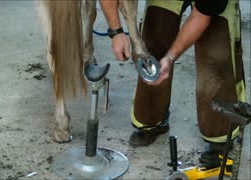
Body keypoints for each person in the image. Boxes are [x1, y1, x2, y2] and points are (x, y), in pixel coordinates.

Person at [100, 0, 246, 163]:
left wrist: (170, 58)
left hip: (208, 8)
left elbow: (202, 17)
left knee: (215, 54)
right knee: (153, 44)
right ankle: (151, 121)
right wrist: (116, 31)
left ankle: (219, 136)